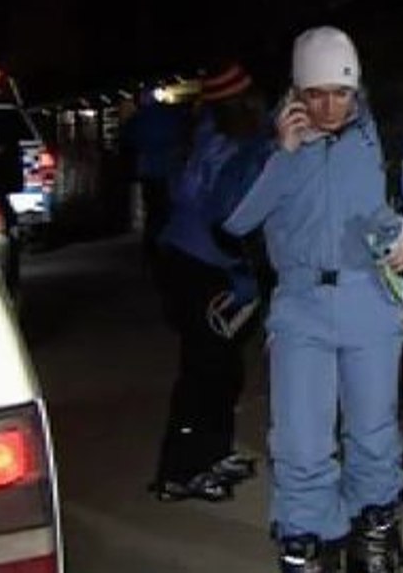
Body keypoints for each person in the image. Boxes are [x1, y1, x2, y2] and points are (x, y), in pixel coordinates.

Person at [220, 26, 403, 573]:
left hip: (371, 298)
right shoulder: (271, 143)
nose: (330, 106)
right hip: (301, 302)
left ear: (357, 88)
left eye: (341, 92)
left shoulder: (388, 137)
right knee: (300, 438)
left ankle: (375, 525)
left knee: (372, 429)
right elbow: (234, 218)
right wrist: (280, 153)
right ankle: (307, 540)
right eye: (316, 93)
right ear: (297, 91)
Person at [149, 62, 273, 503]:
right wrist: (243, 272)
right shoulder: (226, 145)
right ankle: (180, 471)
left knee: (223, 367)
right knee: (205, 370)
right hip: (202, 265)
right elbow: (227, 215)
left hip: (193, 261)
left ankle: (212, 453)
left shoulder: (206, 135)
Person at [120, 85, 191, 269]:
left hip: (149, 172)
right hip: (169, 170)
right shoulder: (169, 115)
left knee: (153, 210)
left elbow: (128, 138)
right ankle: (169, 244)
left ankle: (153, 248)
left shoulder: (138, 120)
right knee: (168, 208)